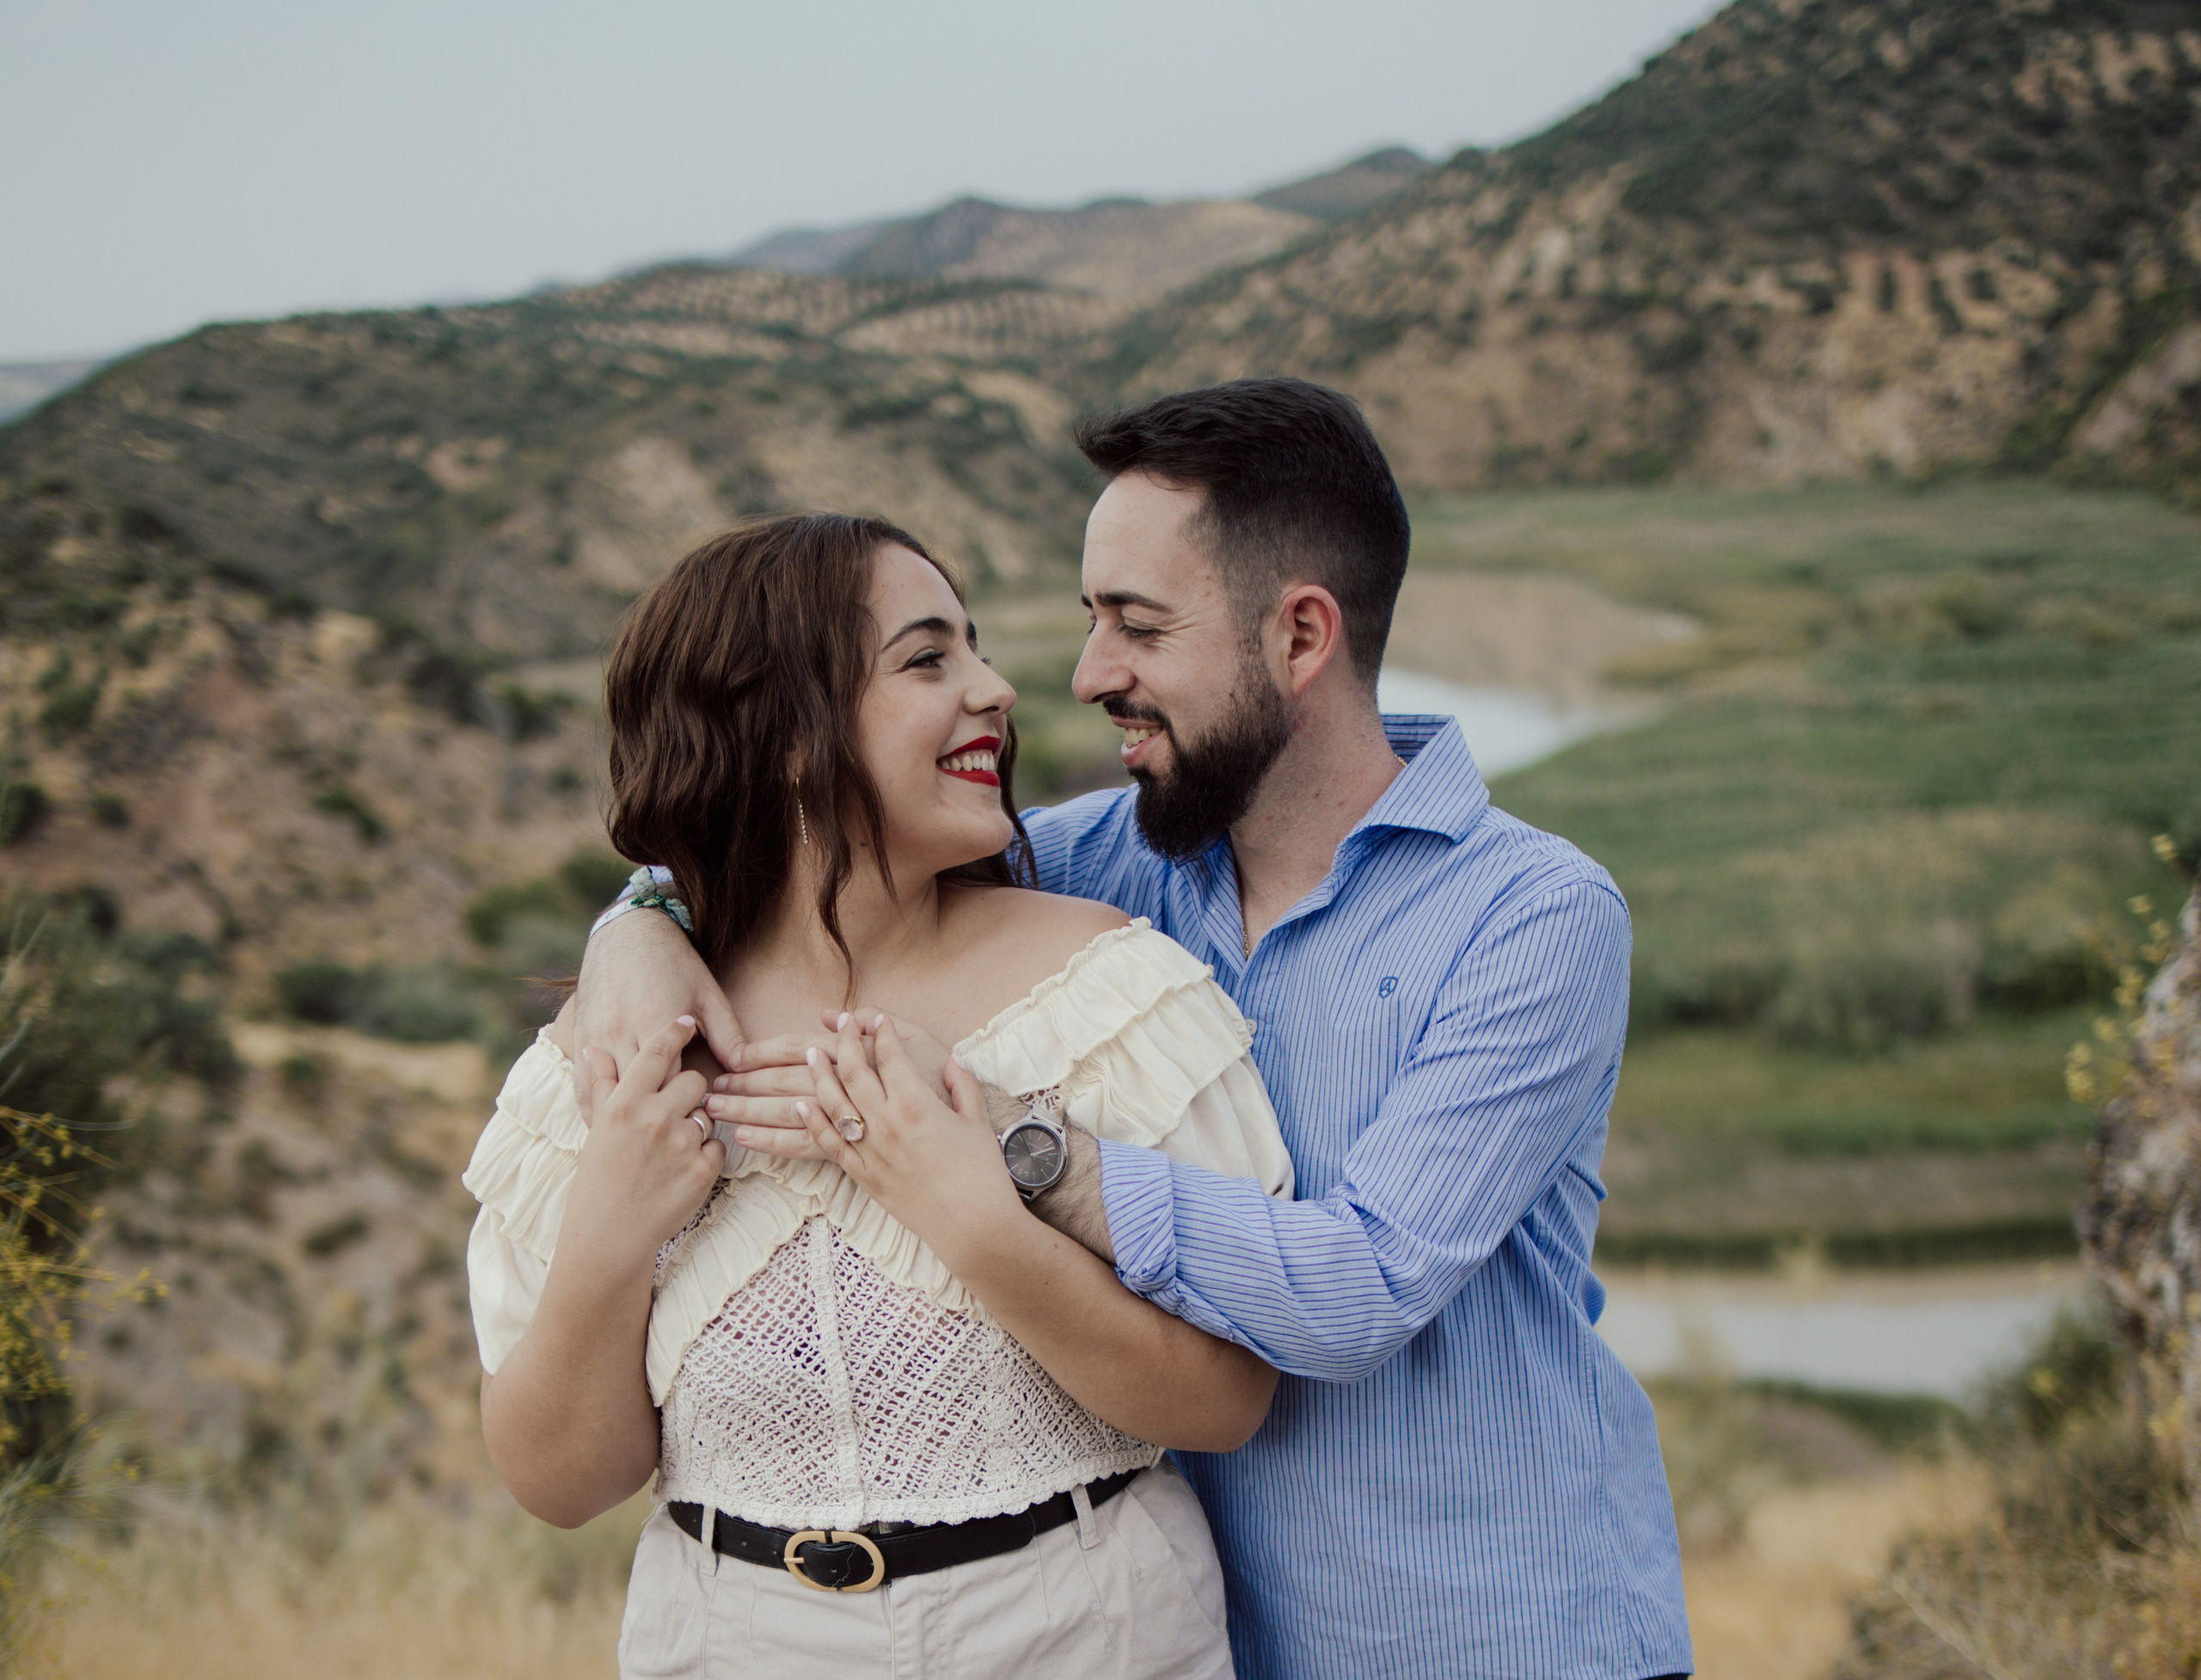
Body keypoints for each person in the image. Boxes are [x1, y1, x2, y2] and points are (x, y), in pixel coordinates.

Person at [578, 379, 1695, 1679]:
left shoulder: (1533, 915)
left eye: (1137, 626)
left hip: (1491, 1638)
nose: (1086, 672)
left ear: (1301, 636)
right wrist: (643, 919)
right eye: (1090, 618)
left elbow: (1360, 1288)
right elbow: (823, 864)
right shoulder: (1086, 862)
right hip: (1177, 1635)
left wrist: (1022, 1156)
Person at [464, 512, 1295, 1678]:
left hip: (1086, 1635)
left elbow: (1225, 1396)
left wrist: (968, 1209)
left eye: (977, 648)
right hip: (729, 1641)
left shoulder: (1109, 994)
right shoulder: (608, 1064)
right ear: (787, 734)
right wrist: (609, 1228)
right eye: (928, 659)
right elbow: (561, 1483)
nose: (997, 690)